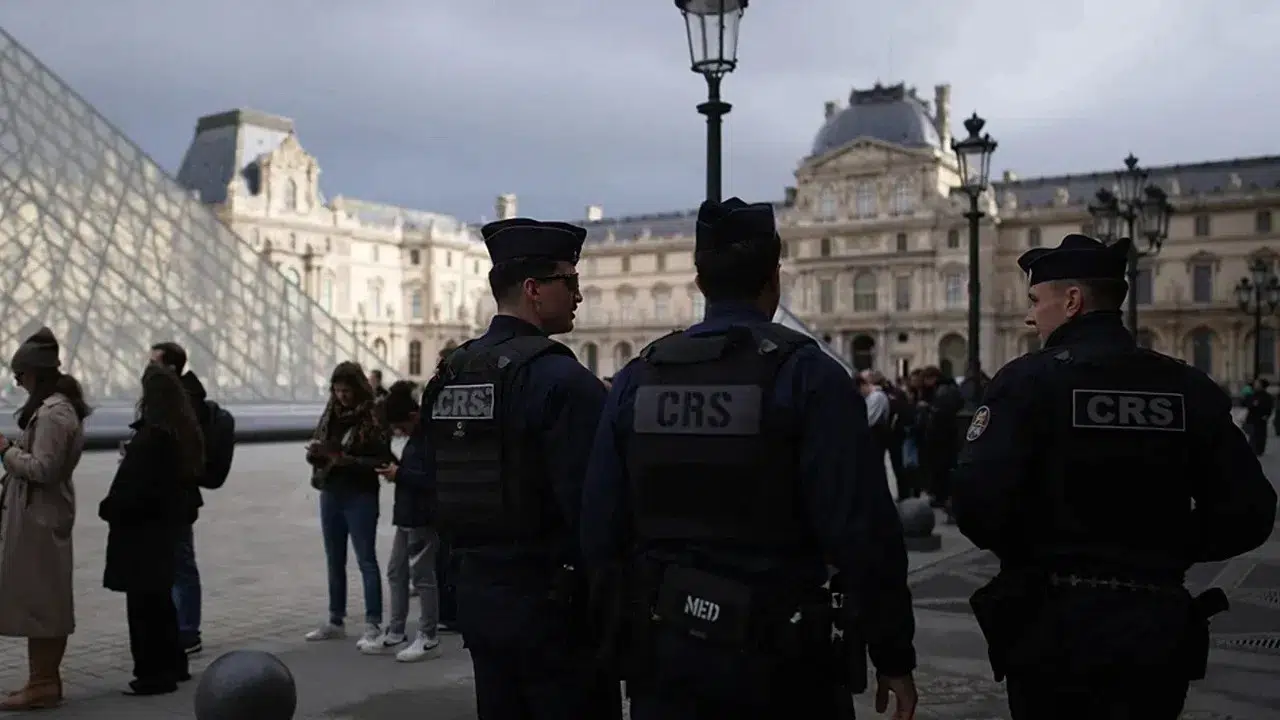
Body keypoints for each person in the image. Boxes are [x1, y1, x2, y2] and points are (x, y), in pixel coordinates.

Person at [581, 198, 919, 720]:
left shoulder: (638, 377)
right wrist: (892, 651)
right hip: (781, 655)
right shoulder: (810, 375)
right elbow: (861, 530)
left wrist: (619, 639)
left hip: (667, 647)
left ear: (699, 281)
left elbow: (600, 524)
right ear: (774, 278)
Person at [951, 233, 1278, 719]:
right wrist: (1167, 546)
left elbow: (976, 503)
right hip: (1155, 624)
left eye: (1035, 301)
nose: (1028, 317)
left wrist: (1044, 545)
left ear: (1072, 301)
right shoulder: (1186, 385)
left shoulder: (1027, 381)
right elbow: (1251, 511)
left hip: (1051, 624)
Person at [428, 217, 620, 719]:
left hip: (479, 601)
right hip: (556, 613)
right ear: (534, 289)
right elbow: (597, 515)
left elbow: (430, 485)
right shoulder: (564, 381)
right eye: (569, 282)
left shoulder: (452, 373)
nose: (579, 295)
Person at [0, 327, 91, 710]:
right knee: (42, 598)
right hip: (41, 514)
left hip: (40, 517)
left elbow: (44, 468)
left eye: (19, 374)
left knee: (43, 602)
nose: (17, 381)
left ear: (35, 372)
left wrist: (5, 450)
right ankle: (42, 681)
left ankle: (43, 684)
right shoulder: (57, 408)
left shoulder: (54, 413)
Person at [100, 364, 202, 695]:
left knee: (143, 607)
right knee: (161, 603)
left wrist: (108, 507)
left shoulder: (152, 437)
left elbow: (135, 491)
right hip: (162, 530)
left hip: (141, 534)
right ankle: (174, 665)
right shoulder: (179, 432)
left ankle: (152, 674)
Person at [304, 362, 393, 650]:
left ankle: (373, 623)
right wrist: (316, 453)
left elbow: (382, 459)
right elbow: (321, 444)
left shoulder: (372, 416)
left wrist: (347, 461)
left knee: (366, 559)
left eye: (346, 391)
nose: (341, 396)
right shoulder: (331, 412)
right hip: (331, 491)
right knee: (334, 558)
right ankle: (335, 620)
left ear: (358, 389)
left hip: (360, 494)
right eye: (337, 390)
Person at [369, 380, 443, 662]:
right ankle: (396, 631)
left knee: (423, 576)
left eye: (401, 426)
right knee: (396, 571)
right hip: (407, 515)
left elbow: (432, 479)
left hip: (422, 516)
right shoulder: (417, 437)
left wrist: (398, 474)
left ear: (413, 416)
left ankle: (428, 636)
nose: (399, 432)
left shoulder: (430, 437)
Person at [149, 341, 210, 656]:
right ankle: (180, 628)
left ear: (170, 368)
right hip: (177, 495)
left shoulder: (183, 403)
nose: (147, 369)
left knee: (181, 564)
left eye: (153, 363)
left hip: (176, 495)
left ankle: (188, 632)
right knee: (176, 563)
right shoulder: (183, 399)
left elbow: (179, 451)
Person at [1242, 377, 1274, 455]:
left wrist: (1267, 415)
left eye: (1257, 384)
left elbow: (1269, 407)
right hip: (1252, 418)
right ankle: (1253, 449)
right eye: (1255, 384)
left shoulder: (1267, 396)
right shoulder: (1252, 394)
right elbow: (1246, 404)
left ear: (1262, 386)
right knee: (1253, 435)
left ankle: (1259, 449)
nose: (1255, 385)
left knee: (1260, 435)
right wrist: (1252, 404)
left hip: (1261, 419)